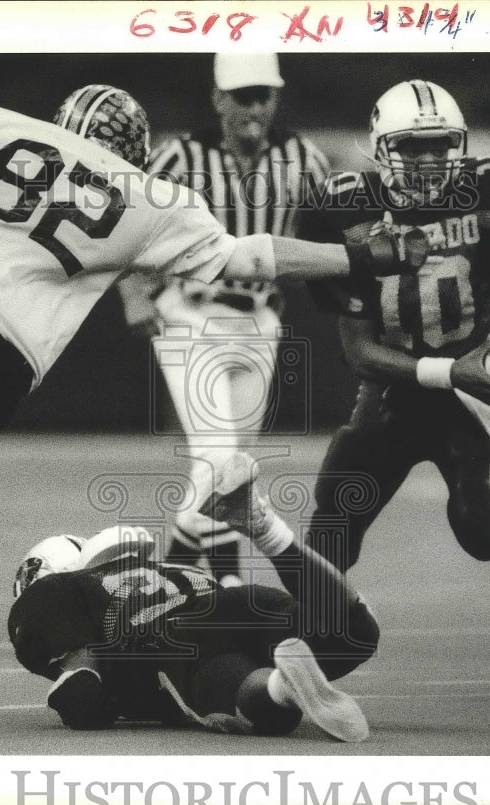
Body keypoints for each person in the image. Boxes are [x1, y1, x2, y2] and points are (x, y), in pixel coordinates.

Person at [0, 84, 417, 673]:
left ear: (62, 123)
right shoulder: (154, 198)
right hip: (9, 367)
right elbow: (254, 255)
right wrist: (362, 255)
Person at [298, 79, 490, 667]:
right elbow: (360, 352)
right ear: (381, 148)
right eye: (411, 147)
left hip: (473, 391)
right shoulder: (348, 212)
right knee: (333, 523)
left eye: (439, 145)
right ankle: (305, 640)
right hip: (396, 384)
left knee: (478, 526)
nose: (428, 160)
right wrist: (453, 371)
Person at [116, 54, 331, 588]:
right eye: (242, 96)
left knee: (224, 469)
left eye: (263, 95)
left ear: (276, 98)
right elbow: (124, 221)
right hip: (191, 316)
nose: (254, 108)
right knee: (218, 462)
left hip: (259, 321)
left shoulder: (304, 157)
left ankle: (165, 587)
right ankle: (229, 588)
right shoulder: (180, 155)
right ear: (218, 99)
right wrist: (133, 294)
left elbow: (331, 229)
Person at [8, 453, 379, 741]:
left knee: (263, 708)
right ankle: (268, 531)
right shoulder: (156, 568)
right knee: (355, 633)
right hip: (234, 603)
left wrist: (72, 693)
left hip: (179, 642)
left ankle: (282, 688)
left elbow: (86, 698)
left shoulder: (61, 593)